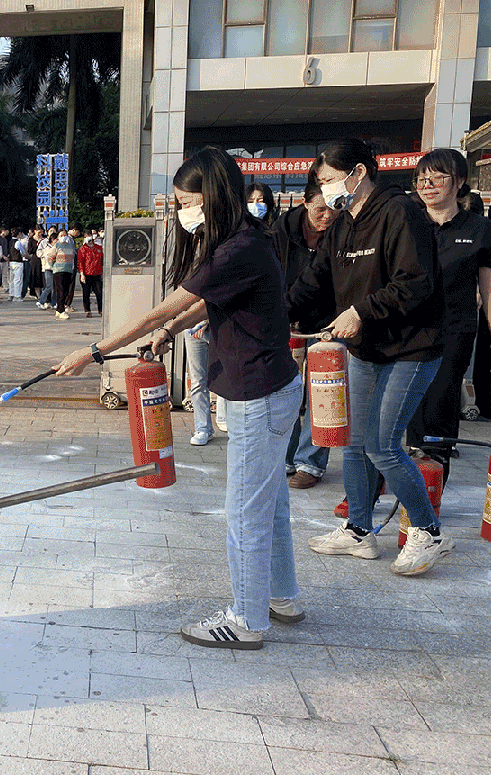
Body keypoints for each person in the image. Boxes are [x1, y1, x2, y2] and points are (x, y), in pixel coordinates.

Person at [55, 147, 303, 650]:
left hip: (258, 396)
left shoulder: (235, 248)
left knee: (245, 514)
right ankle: (282, 597)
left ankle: (246, 620)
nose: (184, 212)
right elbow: (204, 303)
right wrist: (172, 331)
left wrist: (94, 351)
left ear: (214, 196)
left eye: (188, 202)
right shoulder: (245, 239)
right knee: (270, 504)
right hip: (272, 388)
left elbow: (158, 310)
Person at [288, 139, 452, 577]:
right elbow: (314, 279)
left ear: (358, 173)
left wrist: (360, 311)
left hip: (412, 347)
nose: (325, 190)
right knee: (355, 441)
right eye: (320, 182)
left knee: (382, 445)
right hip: (367, 348)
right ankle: (359, 530)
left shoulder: (401, 212)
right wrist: (274, 315)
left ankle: (428, 531)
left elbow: (415, 282)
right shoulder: (343, 224)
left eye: (329, 180)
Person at [406, 149, 491, 481]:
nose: (428, 184)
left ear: (460, 181)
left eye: (438, 177)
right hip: (406, 331)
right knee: (402, 408)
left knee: (439, 403)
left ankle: (430, 489)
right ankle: (392, 480)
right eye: (422, 178)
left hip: (454, 331)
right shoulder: (406, 222)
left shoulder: (480, 228)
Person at [273, 183, 338, 489]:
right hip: (288, 318)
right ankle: (286, 455)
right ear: (305, 203)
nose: (327, 216)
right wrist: (285, 313)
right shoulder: (281, 230)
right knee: (286, 391)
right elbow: (273, 274)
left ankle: (311, 462)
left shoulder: (343, 229)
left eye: (333, 209)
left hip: (330, 322)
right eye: (320, 209)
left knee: (322, 394)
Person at [46, 227, 77, 320]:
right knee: (61, 290)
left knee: (66, 290)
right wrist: (53, 265)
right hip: (59, 270)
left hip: (68, 270)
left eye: (65, 235)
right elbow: (49, 256)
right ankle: (61, 310)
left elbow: (72, 257)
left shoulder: (70, 245)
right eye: (61, 235)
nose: (63, 237)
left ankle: (59, 309)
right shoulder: (57, 245)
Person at [76, 233, 103, 318]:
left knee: (99, 293)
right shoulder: (82, 249)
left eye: (90, 236)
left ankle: (101, 309)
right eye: (86, 237)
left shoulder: (98, 248)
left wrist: (102, 273)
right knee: (86, 293)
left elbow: (102, 260)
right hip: (86, 274)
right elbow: (80, 262)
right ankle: (88, 310)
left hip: (97, 274)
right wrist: (82, 274)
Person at [36, 230, 56, 310]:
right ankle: (41, 301)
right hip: (47, 267)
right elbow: (38, 253)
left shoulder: (58, 246)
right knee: (48, 286)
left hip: (56, 268)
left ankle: (54, 303)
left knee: (55, 287)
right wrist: (46, 254)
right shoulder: (44, 243)